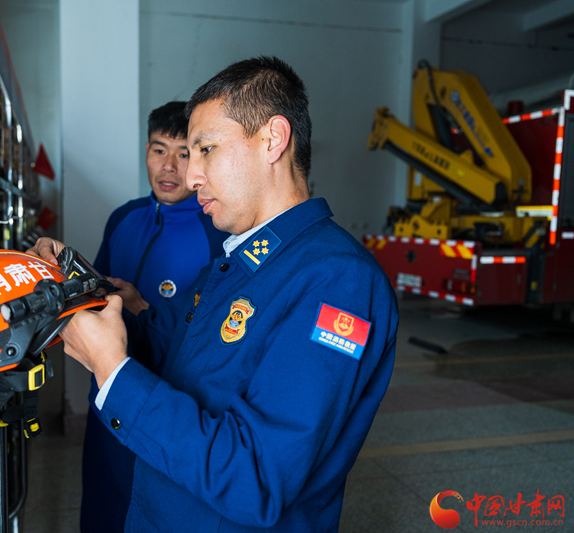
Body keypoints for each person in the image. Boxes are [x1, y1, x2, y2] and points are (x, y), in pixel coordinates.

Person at [30, 56, 398, 532]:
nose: (191, 176)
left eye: (205, 149)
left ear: (273, 139)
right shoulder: (242, 258)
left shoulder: (338, 280)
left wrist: (113, 372)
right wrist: (75, 285)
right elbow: (161, 339)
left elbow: (256, 477)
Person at [82, 101, 229, 532]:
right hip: (107, 387)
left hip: (170, 404)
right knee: (102, 508)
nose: (169, 167)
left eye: (184, 153)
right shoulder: (123, 218)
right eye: (158, 150)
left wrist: (143, 310)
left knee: (154, 511)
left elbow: (215, 333)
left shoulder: (218, 231)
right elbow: (93, 295)